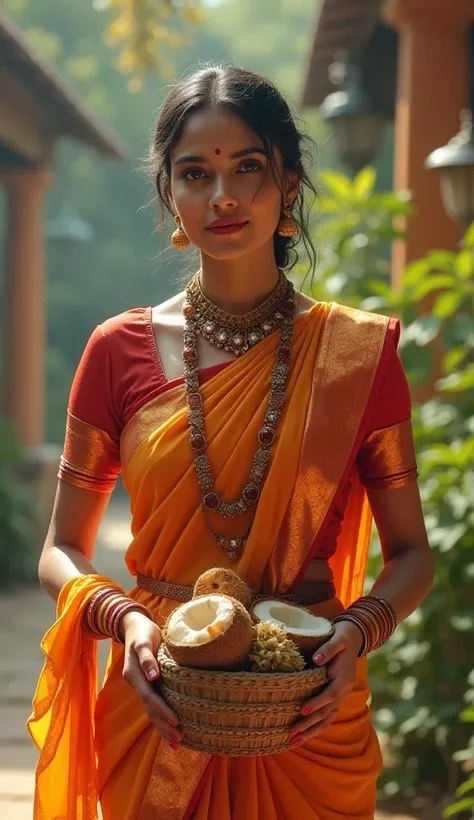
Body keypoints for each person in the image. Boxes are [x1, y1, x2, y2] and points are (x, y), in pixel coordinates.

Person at [28, 64, 434, 820]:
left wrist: (357, 631)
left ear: (288, 184)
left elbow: (411, 551)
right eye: (195, 173)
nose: (222, 195)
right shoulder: (117, 350)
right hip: (162, 696)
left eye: (248, 167)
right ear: (170, 197)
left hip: (309, 704)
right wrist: (128, 623)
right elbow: (60, 548)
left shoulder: (356, 357)